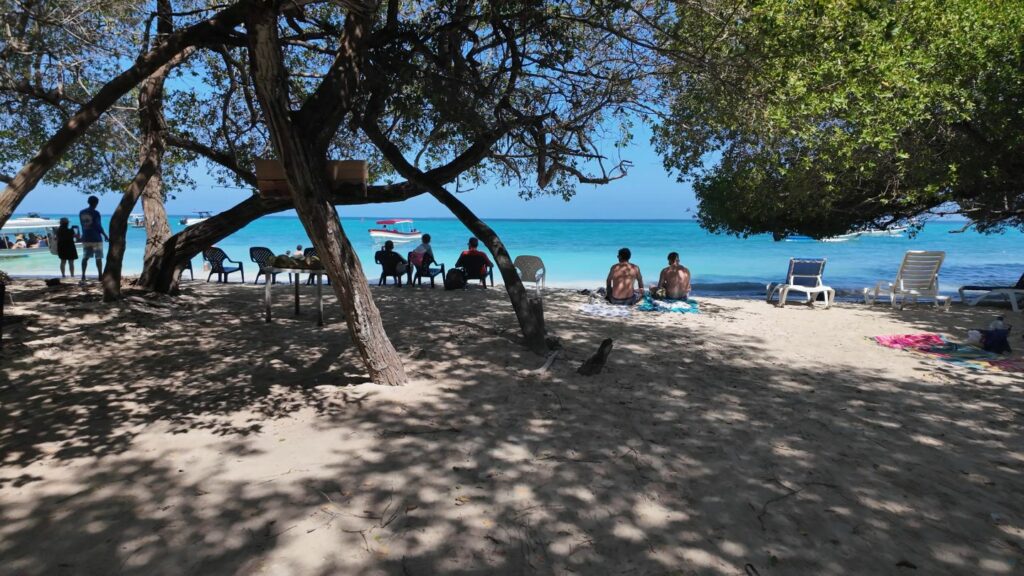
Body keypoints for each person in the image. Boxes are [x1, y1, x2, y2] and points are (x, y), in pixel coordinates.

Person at [79, 195, 109, 282]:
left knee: (85, 257)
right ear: (96, 203)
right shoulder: (96, 213)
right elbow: (98, 225)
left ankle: (83, 275)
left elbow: (82, 225)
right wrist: (105, 235)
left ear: (88, 202)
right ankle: (100, 275)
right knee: (98, 257)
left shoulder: (81, 212)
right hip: (96, 238)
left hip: (86, 237)